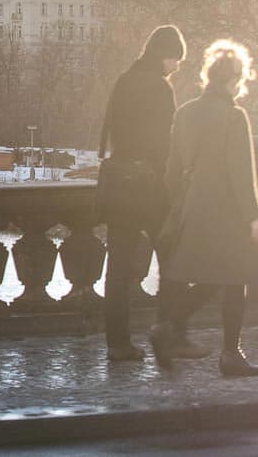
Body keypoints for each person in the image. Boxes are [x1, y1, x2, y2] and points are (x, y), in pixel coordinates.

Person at [151, 39, 258, 376]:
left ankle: (168, 328)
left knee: (213, 278)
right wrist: (253, 216)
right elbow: (240, 173)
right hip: (227, 211)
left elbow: (172, 170)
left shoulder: (186, 112)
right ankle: (230, 354)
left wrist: (174, 212)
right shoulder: (233, 116)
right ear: (235, 78)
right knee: (236, 277)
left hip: (193, 208)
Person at [98, 24, 186, 361]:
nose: (176, 66)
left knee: (117, 268)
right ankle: (167, 331)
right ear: (164, 55)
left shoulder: (124, 80)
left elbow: (110, 135)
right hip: (149, 187)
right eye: (175, 59)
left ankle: (117, 343)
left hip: (120, 185)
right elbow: (166, 143)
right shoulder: (160, 88)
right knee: (173, 258)